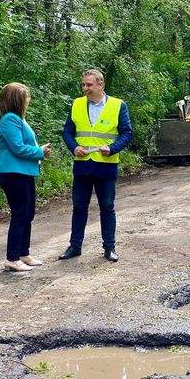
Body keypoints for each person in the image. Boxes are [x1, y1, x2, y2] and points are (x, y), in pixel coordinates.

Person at [58, 69, 133, 262]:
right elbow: (67, 132)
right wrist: (74, 148)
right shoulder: (76, 104)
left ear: (101, 85)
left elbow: (127, 133)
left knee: (107, 207)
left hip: (106, 165)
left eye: (89, 85)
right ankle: (75, 247)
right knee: (79, 207)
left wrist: (113, 148)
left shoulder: (118, 105)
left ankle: (109, 248)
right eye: (83, 85)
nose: (85, 88)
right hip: (82, 165)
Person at [0, 82, 52, 272]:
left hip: (24, 172)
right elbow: (17, 147)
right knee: (20, 214)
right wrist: (39, 152)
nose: (28, 101)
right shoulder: (9, 119)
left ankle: (23, 254)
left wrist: (39, 151)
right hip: (12, 173)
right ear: (17, 100)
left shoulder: (18, 118)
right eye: (25, 97)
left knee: (28, 213)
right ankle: (12, 258)